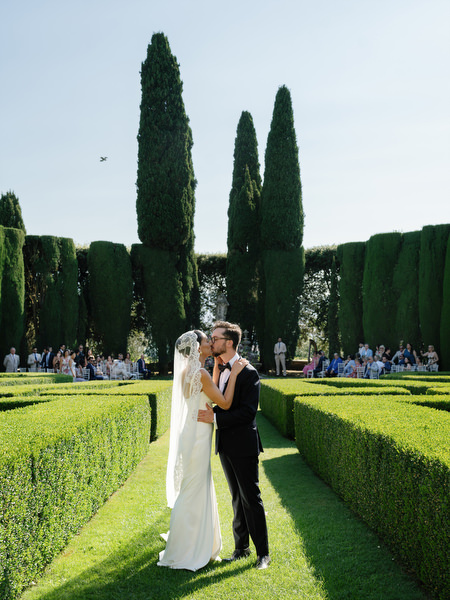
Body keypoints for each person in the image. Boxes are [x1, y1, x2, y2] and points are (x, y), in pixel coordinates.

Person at [158, 329, 247, 572]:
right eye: (208, 341)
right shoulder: (201, 373)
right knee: (195, 487)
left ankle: (187, 542)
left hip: (191, 432)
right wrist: (236, 373)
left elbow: (205, 391)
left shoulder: (189, 372)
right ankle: (189, 548)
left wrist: (215, 368)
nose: (211, 343)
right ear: (198, 348)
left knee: (192, 485)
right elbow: (225, 402)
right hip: (199, 434)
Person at [198, 321, 270, 570]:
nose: (211, 341)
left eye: (215, 338)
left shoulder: (248, 372)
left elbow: (248, 413)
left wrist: (215, 418)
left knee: (252, 498)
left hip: (244, 444)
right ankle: (241, 548)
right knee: (237, 498)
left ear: (229, 342)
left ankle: (264, 554)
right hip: (226, 444)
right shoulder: (220, 367)